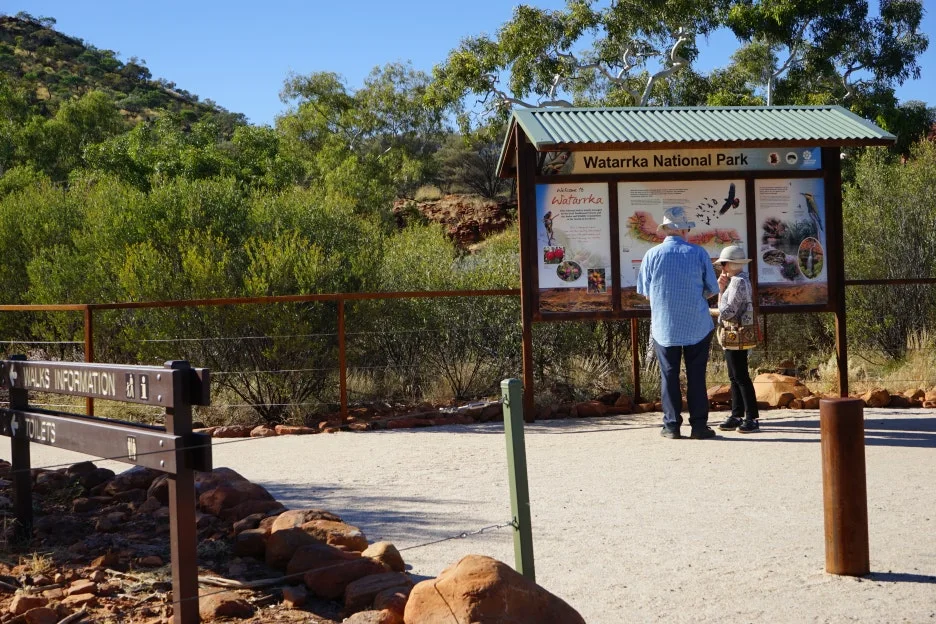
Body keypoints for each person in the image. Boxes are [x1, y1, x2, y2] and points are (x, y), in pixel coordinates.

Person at [637, 206, 719, 440]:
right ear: (683, 230)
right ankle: (699, 426)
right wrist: (694, 297)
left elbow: (645, 292)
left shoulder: (651, 255)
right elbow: (712, 289)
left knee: (669, 375)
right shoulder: (699, 253)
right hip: (697, 324)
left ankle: (672, 426)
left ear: (665, 230)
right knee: (696, 376)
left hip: (664, 325)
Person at [714, 246, 760, 433]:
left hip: (735, 334)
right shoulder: (742, 280)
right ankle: (738, 414)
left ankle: (750, 417)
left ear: (730, 264)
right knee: (736, 376)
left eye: (723, 263)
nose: (722, 267)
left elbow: (727, 312)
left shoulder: (737, 282)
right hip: (737, 334)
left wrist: (720, 291)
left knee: (739, 376)